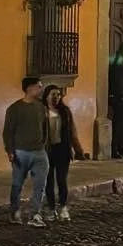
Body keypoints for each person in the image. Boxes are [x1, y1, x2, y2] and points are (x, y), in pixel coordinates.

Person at [3, 76, 51, 227]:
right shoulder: (14, 109)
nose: (41, 89)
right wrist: (10, 151)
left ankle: (34, 214)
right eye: (38, 86)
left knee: (40, 184)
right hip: (20, 152)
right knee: (17, 184)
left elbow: (45, 128)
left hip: (39, 152)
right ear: (29, 88)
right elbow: (7, 132)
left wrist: (44, 145)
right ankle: (14, 211)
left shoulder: (41, 108)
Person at [43, 82, 84, 222]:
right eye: (53, 94)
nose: (56, 97)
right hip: (47, 150)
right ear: (46, 96)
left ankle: (63, 207)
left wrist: (78, 149)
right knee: (48, 181)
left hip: (62, 149)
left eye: (58, 94)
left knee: (61, 180)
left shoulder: (65, 112)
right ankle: (51, 208)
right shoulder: (41, 111)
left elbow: (72, 132)